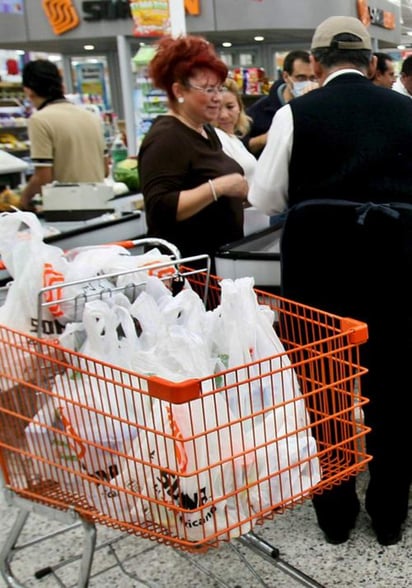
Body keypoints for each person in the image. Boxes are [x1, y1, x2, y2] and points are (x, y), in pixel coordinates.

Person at [249, 15, 412, 547]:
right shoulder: (407, 110)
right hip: (397, 271)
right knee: (394, 390)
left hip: (318, 277)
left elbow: (265, 199)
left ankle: (335, 515)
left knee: (326, 389)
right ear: (371, 62)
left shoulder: (296, 114)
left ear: (315, 63)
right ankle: (389, 516)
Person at [138, 35, 248, 262]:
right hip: (188, 270)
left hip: (216, 263)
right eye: (208, 89)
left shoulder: (205, 130)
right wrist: (220, 186)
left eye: (218, 89)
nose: (217, 98)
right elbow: (160, 208)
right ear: (178, 91)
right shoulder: (166, 137)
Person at [20, 60, 109, 211]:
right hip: (99, 205)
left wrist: (24, 199)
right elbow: (105, 169)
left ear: (28, 90)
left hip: (66, 210)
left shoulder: (39, 120)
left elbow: (43, 177)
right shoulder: (90, 116)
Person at [244, 51, 317, 157]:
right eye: (301, 78)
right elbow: (240, 148)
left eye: (313, 78)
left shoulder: (320, 106)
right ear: (286, 76)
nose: (308, 83)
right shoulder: (259, 110)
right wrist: (264, 139)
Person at [214, 77, 257, 184]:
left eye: (230, 107)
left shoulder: (235, 140)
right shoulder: (215, 138)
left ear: (239, 108)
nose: (224, 115)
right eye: (216, 108)